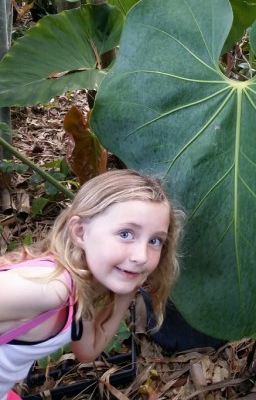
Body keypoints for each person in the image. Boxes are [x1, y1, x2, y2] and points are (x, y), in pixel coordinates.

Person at [0, 169, 183, 400]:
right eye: (126, 234)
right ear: (80, 232)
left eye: (155, 241)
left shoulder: (80, 289)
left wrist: (128, 292)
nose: (142, 256)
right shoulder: (51, 288)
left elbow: (89, 350)